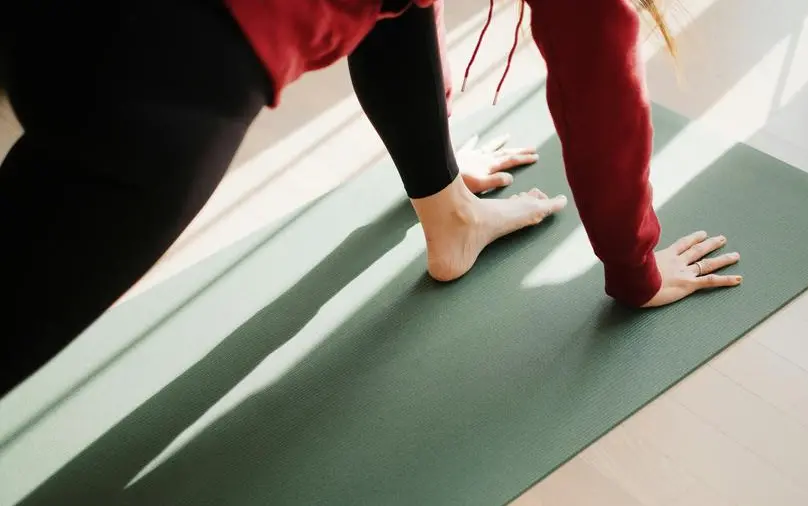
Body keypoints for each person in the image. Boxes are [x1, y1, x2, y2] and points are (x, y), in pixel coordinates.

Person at [0, 0, 740, 396]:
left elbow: (395, 13)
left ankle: (449, 215)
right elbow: (600, 90)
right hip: (161, 72)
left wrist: (438, 171)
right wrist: (636, 269)